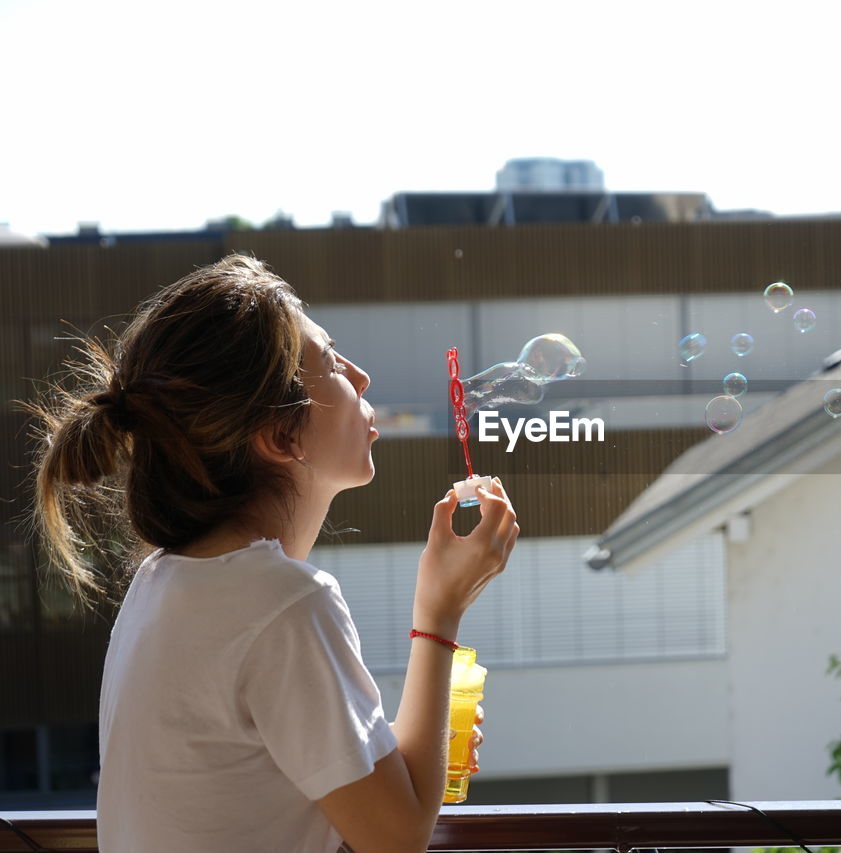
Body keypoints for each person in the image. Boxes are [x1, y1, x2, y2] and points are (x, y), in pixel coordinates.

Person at [28, 254, 519, 853]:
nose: (360, 375)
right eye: (330, 360)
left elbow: (262, 790)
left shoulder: (165, 582)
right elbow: (396, 837)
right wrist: (439, 611)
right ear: (282, 436)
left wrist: (413, 743)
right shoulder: (285, 603)